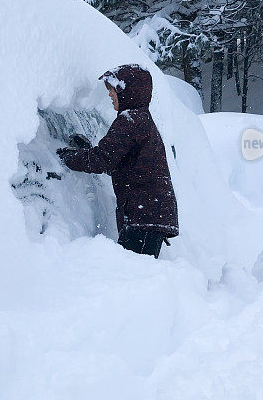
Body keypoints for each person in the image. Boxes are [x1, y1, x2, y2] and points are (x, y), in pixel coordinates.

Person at [57, 64, 179, 258]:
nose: (110, 94)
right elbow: (120, 162)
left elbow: (102, 160)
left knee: (134, 276)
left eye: (113, 89)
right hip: (150, 213)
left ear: (127, 92)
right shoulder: (141, 119)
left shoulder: (130, 120)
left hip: (143, 216)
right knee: (135, 273)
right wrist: (88, 151)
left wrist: (66, 157)